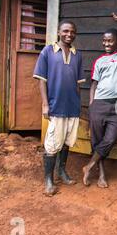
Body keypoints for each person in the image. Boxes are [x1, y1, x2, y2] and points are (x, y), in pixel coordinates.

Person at [82, 13, 117, 188]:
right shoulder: (99, 61)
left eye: (110, 41)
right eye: (104, 41)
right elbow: (94, 84)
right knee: (97, 141)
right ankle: (101, 174)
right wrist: (92, 104)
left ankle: (89, 166)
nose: (106, 44)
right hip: (99, 104)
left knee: (109, 139)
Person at [33, 20, 86, 196]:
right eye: (65, 31)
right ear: (58, 32)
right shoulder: (48, 51)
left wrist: (77, 103)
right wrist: (45, 104)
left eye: (72, 31)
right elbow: (42, 80)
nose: (69, 34)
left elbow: (78, 84)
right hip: (55, 105)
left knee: (66, 141)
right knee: (52, 143)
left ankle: (61, 171)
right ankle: (48, 179)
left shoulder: (77, 54)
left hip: (72, 106)